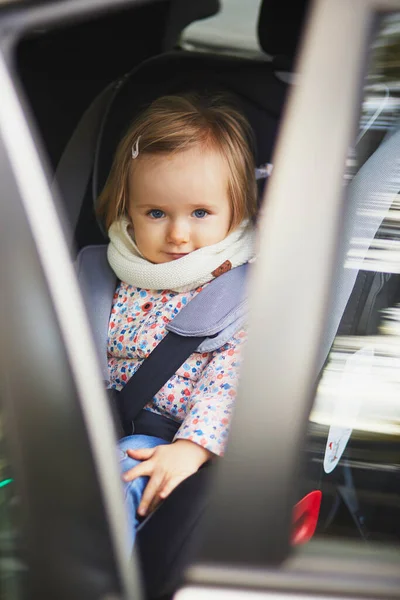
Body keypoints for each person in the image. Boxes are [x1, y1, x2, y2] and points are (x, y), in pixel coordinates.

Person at [96, 92, 257, 546]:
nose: (179, 234)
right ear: (128, 210)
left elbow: (232, 381)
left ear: (237, 210)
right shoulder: (107, 272)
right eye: (156, 213)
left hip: (170, 440)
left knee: (114, 486)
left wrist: (191, 449)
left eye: (201, 213)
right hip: (90, 423)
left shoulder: (237, 295)